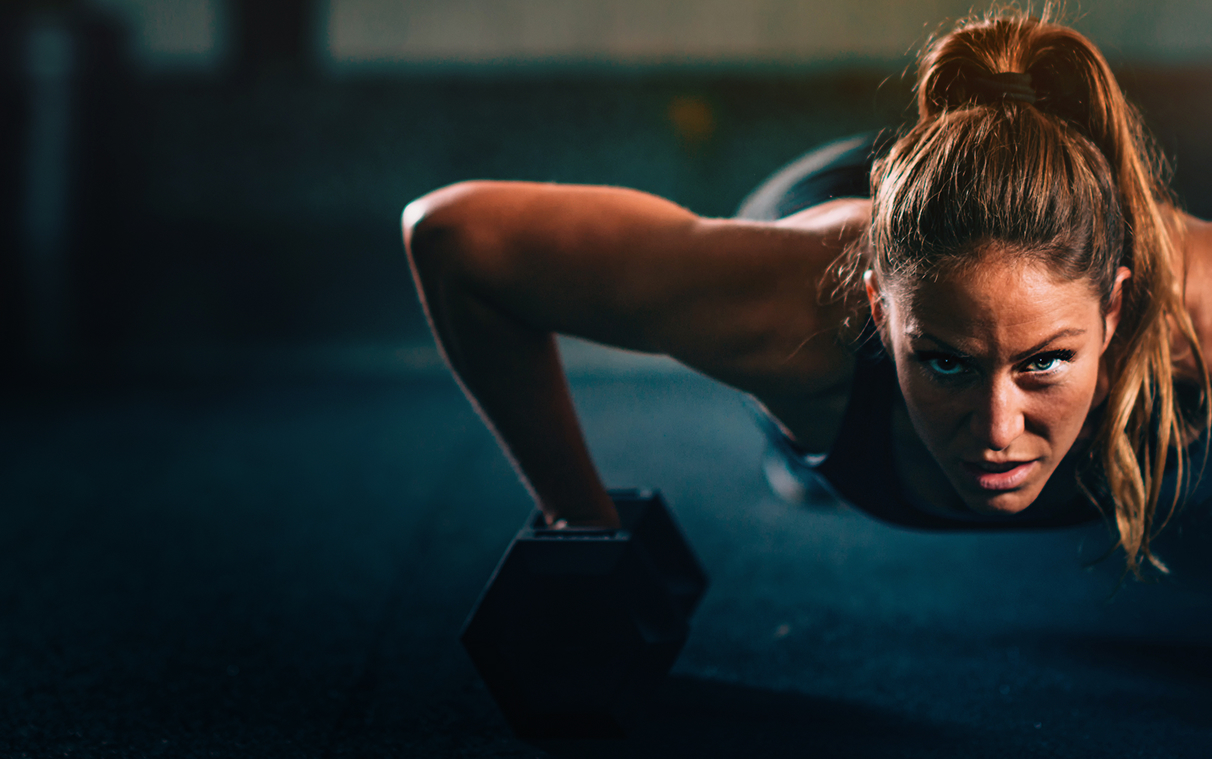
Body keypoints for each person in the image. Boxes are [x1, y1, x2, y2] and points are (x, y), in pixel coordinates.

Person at [402, 8, 1212, 580]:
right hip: (823, 219)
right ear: (878, 311)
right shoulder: (791, 316)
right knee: (801, 402)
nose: (998, 430)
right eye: (945, 364)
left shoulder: (1192, 311)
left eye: (1044, 363)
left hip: (1037, 223)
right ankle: (814, 439)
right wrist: (581, 527)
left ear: (1112, 311)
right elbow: (454, 235)